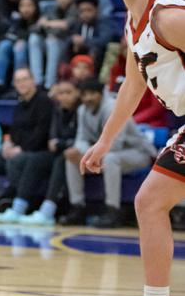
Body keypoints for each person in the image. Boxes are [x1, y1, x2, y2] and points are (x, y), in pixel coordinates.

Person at [82, 0, 185, 296]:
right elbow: (132, 86)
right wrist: (105, 141)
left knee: (149, 201)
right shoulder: (133, 21)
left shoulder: (168, 17)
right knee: (150, 202)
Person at [63, 77, 154, 228]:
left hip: (137, 153)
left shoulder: (113, 107)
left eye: (92, 94)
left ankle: (113, 211)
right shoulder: (82, 110)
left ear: (100, 94)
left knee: (111, 159)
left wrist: (88, 155)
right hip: (106, 153)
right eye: (84, 95)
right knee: (72, 159)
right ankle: (77, 207)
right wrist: (79, 152)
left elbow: (116, 145)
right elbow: (81, 138)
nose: (88, 98)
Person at [0, 78, 80, 225]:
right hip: (55, 153)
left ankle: (47, 212)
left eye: (68, 92)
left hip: (73, 154)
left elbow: (76, 140)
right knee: (34, 159)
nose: (64, 96)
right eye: (61, 93)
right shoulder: (57, 110)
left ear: (77, 93)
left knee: (61, 161)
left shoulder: (81, 111)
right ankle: (19, 207)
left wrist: (61, 144)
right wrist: (60, 144)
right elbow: (52, 141)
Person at [0, 67, 53, 219]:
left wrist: (21, 149)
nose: (21, 83)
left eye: (25, 79)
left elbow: (42, 133)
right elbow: (14, 130)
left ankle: (15, 201)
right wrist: (8, 143)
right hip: (19, 149)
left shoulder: (44, 101)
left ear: (33, 81)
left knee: (15, 161)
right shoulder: (19, 104)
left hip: (38, 151)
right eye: (18, 80)